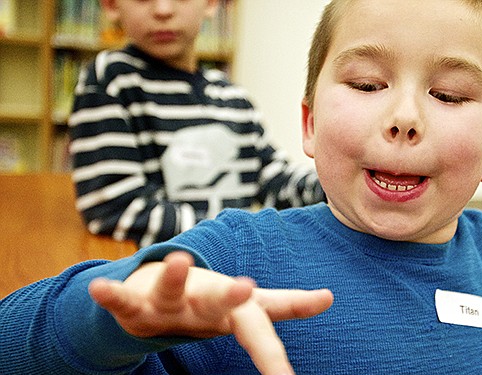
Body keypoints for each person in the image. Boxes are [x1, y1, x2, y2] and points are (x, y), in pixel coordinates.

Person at [0, 0, 482, 375]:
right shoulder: (238, 258)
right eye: (367, 84)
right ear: (309, 124)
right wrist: (115, 321)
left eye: (449, 94)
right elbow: (11, 369)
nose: (406, 119)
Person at [70, 0, 324, 247]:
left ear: (212, 3)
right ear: (112, 4)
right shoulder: (109, 80)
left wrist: (332, 184)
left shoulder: (232, 97)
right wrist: (236, 237)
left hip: (237, 263)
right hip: (169, 276)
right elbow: (113, 209)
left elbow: (275, 180)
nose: (163, 9)